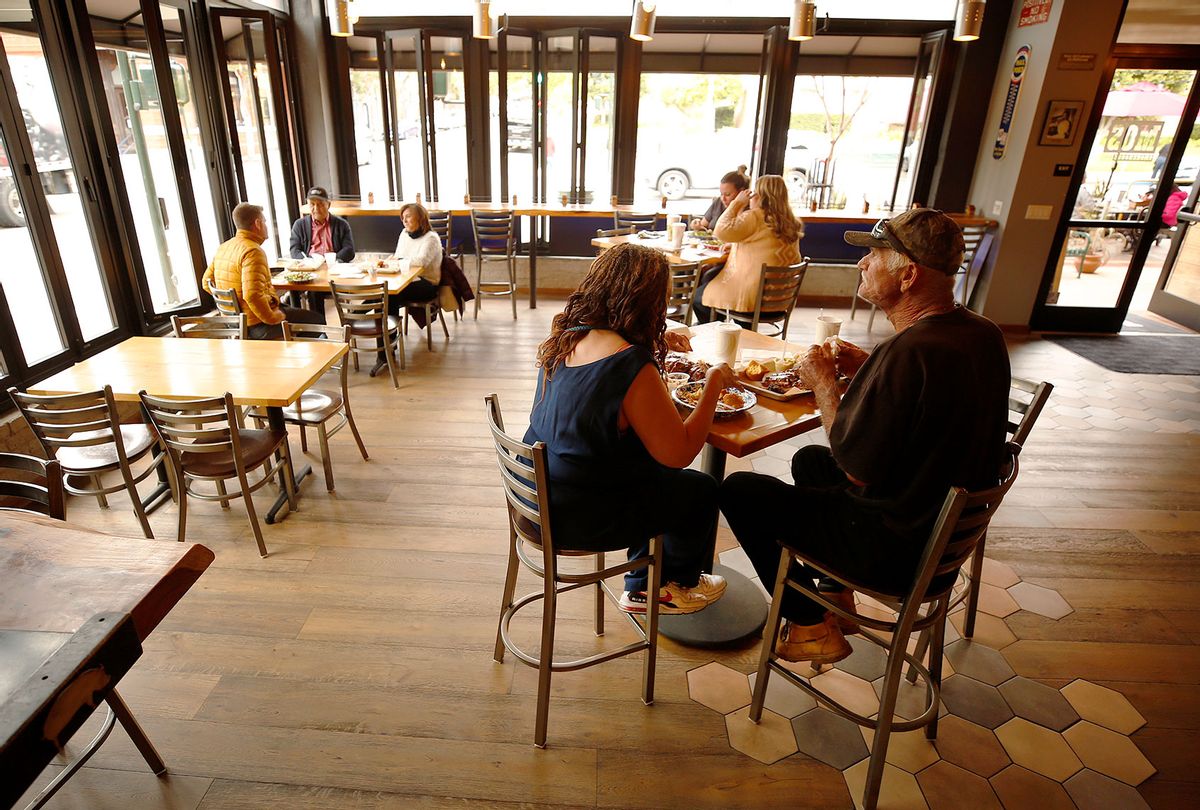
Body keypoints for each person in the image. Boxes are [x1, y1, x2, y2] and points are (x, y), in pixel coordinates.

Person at [718, 209, 1010, 664]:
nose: (862, 263)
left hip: (894, 547)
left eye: (874, 255)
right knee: (811, 461)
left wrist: (822, 384)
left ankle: (811, 624)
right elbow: (926, 407)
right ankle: (839, 599)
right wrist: (871, 368)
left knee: (741, 490)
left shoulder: (909, 352)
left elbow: (856, 468)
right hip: (939, 532)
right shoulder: (982, 333)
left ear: (909, 274)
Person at [523, 243, 734, 615]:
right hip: (578, 516)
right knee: (699, 489)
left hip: (536, 498)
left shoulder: (566, 336)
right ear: (648, 302)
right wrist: (715, 383)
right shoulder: (630, 363)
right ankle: (672, 585)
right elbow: (679, 453)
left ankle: (640, 584)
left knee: (644, 464)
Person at [202, 203, 326, 340]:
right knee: (317, 321)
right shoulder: (252, 251)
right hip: (257, 325)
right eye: (265, 222)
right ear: (258, 223)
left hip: (234, 323)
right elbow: (252, 295)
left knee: (291, 310)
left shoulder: (224, 247)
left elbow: (206, 283)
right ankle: (298, 355)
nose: (267, 226)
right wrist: (272, 317)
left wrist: (233, 309)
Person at [691, 174, 804, 324]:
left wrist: (737, 203)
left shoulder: (756, 217)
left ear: (761, 196)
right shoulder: (790, 221)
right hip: (781, 300)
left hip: (752, 299)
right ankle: (732, 333)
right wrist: (736, 245)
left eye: (753, 193)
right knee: (710, 278)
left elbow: (720, 230)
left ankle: (718, 331)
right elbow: (766, 245)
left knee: (698, 298)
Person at [387, 202, 443, 316]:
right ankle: (379, 329)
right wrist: (391, 260)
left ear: (420, 218)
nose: (404, 221)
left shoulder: (431, 238)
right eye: (403, 218)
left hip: (427, 283)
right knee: (383, 292)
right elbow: (398, 255)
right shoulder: (404, 233)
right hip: (407, 279)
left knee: (389, 294)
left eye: (408, 216)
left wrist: (398, 259)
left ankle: (389, 332)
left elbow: (422, 262)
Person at [289, 186, 355, 263]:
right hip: (310, 267)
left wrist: (330, 260)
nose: (316, 209)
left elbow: (349, 250)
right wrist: (310, 261)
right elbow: (294, 251)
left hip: (334, 265)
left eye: (320, 204)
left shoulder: (342, 225)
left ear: (328, 205)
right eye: (312, 204)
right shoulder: (299, 225)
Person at [689, 167, 750, 231]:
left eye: (727, 194)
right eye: (721, 194)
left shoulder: (748, 211)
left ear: (741, 192)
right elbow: (703, 225)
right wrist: (696, 225)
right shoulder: (718, 202)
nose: (723, 199)